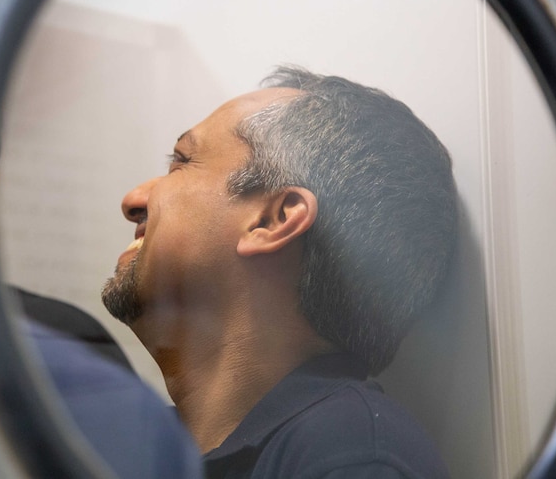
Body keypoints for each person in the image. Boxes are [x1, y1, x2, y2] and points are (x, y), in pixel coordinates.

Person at [101, 65, 458, 478]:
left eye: (181, 162)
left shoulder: (352, 457)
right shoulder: (132, 445)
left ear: (273, 220)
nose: (133, 199)